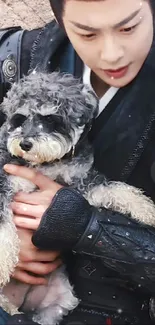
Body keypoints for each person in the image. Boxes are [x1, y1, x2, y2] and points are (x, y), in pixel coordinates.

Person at [1, 0, 155, 324]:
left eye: (128, 27)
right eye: (87, 33)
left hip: (110, 301)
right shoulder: (14, 56)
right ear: (59, 18)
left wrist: (86, 226)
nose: (112, 53)